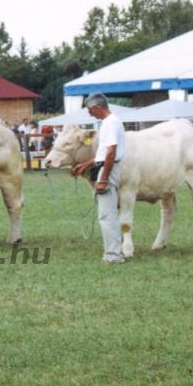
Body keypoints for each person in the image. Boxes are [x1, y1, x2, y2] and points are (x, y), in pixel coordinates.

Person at [70, 93, 126, 265]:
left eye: (89, 109)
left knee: (106, 215)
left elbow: (111, 153)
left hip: (107, 170)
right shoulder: (111, 122)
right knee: (108, 214)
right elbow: (105, 153)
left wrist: (104, 179)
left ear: (97, 107)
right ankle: (114, 253)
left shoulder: (110, 123)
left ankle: (113, 256)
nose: (89, 113)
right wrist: (86, 164)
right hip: (105, 167)